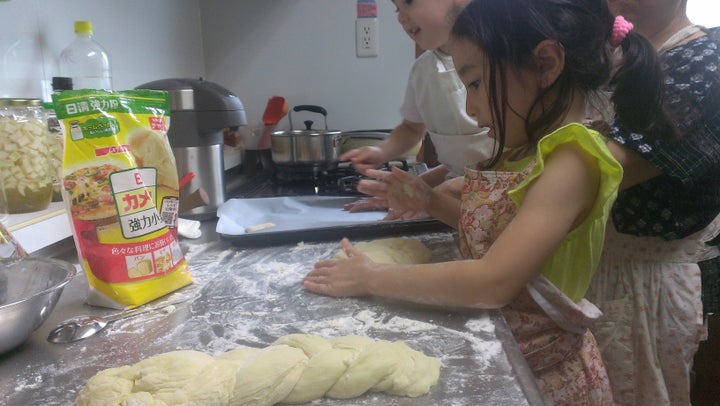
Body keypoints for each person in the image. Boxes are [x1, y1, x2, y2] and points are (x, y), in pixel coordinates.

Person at [305, 0, 674, 403]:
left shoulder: (573, 160)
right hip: (511, 354)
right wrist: (429, 201)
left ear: (545, 63)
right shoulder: (527, 151)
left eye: (475, 84)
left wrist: (370, 278)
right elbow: (500, 231)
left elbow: (494, 280)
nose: (470, 107)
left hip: (546, 379)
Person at [582, 1, 720, 404]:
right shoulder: (613, 55)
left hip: (650, 278)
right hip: (595, 260)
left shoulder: (705, 59)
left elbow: (613, 168)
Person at [341, 0, 496, 220]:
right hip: (458, 202)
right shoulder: (423, 71)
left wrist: (433, 194)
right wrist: (382, 153)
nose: (401, 17)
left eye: (409, 2)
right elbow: (411, 129)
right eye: (397, 9)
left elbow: (517, 162)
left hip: (498, 199)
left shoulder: (497, 60)